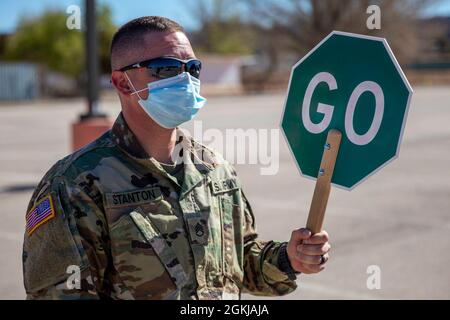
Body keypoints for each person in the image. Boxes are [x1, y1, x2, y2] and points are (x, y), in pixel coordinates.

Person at [22, 16, 330, 300]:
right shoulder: (76, 184)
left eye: (192, 68)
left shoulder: (215, 170)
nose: (185, 80)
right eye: (166, 68)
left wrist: (289, 259)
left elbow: (241, 262)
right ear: (121, 82)